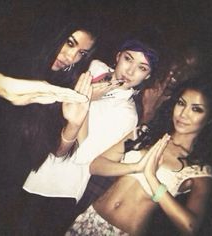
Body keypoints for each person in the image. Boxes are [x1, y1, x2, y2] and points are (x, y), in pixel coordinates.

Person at [20, 35, 161, 235]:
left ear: (146, 77)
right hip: (30, 158)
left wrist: (85, 101)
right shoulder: (94, 68)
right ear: (118, 56)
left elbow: (83, 156)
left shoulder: (127, 114)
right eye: (128, 59)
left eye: (142, 68)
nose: (130, 71)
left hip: (58, 188)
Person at [66, 77, 212, 236]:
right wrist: (135, 167)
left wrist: (151, 178)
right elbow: (95, 166)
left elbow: (190, 227)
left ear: (209, 119)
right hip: (89, 218)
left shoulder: (199, 169)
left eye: (196, 109)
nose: (184, 114)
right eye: (181, 103)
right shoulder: (145, 133)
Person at [0, 18, 100, 235]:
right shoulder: (15, 53)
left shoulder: (64, 87)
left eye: (81, 53)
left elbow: (57, 152)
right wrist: (11, 88)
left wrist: (74, 124)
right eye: (70, 43)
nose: (71, 56)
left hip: (9, 186)